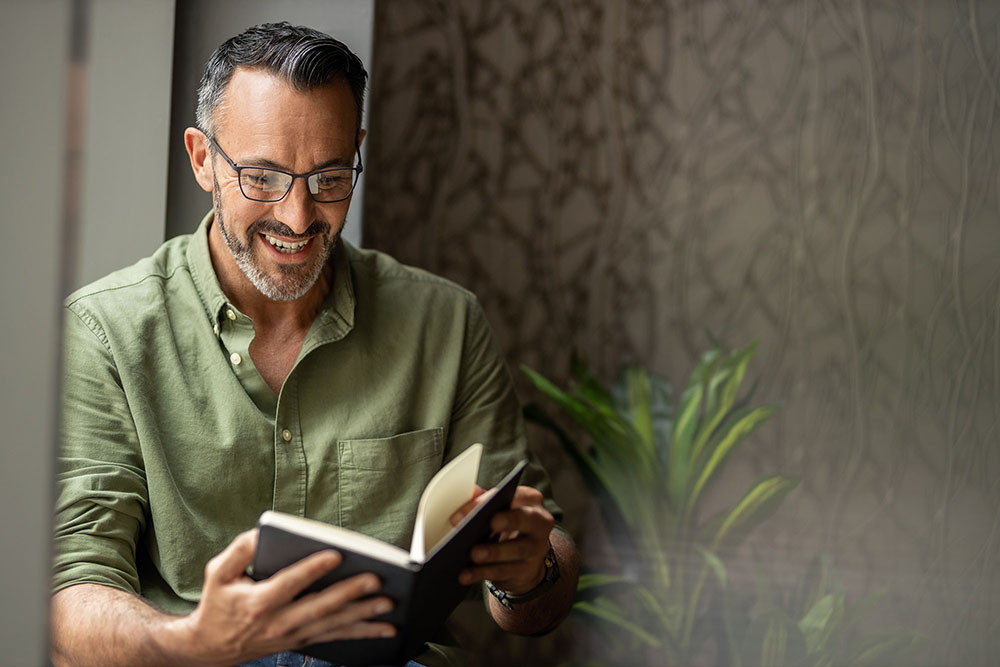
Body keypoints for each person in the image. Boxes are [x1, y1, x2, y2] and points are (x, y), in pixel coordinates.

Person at [50, 22, 578, 667]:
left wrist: (529, 572)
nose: (298, 218)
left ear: (356, 153)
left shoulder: (446, 322)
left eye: (328, 177)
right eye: (263, 177)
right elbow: (73, 591)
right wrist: (188, 642)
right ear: (202, 159)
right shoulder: (107, 330)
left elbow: (538, 597)